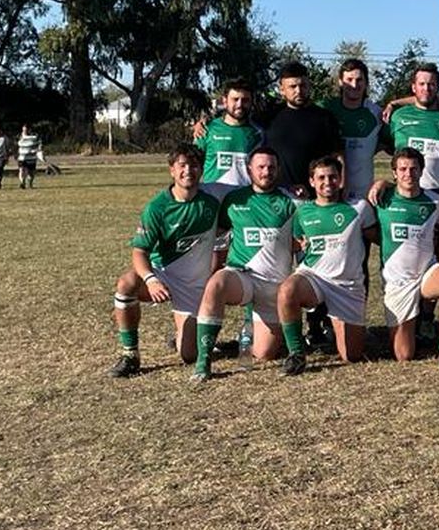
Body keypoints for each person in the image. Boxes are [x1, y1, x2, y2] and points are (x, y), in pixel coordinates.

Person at [108, 143, 221, 378]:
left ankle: (185, 330)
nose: (188, 171)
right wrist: (150, 280)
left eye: (194, 165)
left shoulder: (211, 204)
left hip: (193, 286)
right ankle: (130, 354)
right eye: (182, 165)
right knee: (126, 283)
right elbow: (139, 252)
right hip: (164, 275)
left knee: (189, 355)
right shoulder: (157, 208)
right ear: (172, 170)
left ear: (202, 170)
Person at [191, 147, 299, 382]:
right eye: (260, 167)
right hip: (242, 276)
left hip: (274, 286)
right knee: (216, 284)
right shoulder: (234, 200)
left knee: (265, 353)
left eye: (271, 167)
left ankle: (248, 328)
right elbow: (218, 234)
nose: (266, 171)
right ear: (249, 169)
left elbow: (304, 237)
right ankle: (204, 363)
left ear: (278, 170)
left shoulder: (292, 202)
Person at [275, 155, 376, 372]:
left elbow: (380, 238)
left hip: (347, 286)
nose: (327, 182)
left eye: (332, 177)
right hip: (315, 277)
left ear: (340, 179)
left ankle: (336, 325)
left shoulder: (359, 208)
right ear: (311, 181)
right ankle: (296, 353)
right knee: (287, 291)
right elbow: (297, 242)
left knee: (352, 356)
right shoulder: (302, 211)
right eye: (321, 177)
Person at [368, 147, 439, 368]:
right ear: (394, 173)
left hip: (426, 274)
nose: (408, 174)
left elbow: (438, 233)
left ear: (421, 171)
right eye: (402, 169)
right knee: (404, 354)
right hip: (398, 281)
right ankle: (411, 328)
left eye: (413, 169)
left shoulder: (435, 202)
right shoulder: (382, 199)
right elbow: (366, 230)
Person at [259, 61, 344, 198]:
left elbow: (338, 156)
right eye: (292, 86)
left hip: (315, 198)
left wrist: (341, 189)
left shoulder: (324, 118)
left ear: (309, 86)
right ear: (282, 89)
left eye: (303, 85)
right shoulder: (268, 117)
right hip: (277, 197)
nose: (298, 91)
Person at [385, 62, 439, 192]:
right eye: (421, 84)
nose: (426, 88)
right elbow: (383, 146)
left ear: (437, 87)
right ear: (414, 87)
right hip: (406, 195)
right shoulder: (397, 116)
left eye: (431, 84)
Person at [323, 58, 385, 202]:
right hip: (329, 194)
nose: (354, 85)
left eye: (359, 80)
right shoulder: (325, 109)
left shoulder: (376, 113)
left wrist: (394, 104)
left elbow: (390, 144)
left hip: (363, 196)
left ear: (366, 83)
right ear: (340, 81)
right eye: (349, 79)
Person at [195, 78, 264, 199]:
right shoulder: (207, 129)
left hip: (246, 201)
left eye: (245, 100)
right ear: (225, 101)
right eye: (235, 99)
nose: (240, 104)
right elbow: (193, 163)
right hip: (213, 199)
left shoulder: (259, 133)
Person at [16, 124, 42, 189]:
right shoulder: (19, 136)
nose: (25, 131)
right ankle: (22, 183)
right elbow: (15, 145)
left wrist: (39, 150)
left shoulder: (34, 137)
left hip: (31, 158)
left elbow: (40, 144)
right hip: (22, 157)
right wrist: (15, 154)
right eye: (24, 130)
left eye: (26, 130)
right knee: (21, 170)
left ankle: (30, 184)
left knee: (31, 173)